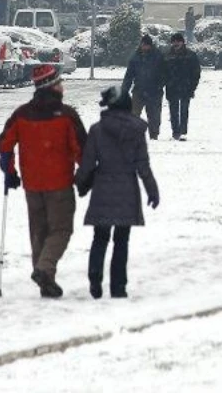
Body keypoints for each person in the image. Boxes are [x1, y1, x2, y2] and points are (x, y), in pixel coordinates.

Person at [0, 65, 87, 298]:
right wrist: (86, 173)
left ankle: (45, 280)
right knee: (61, 229)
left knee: (38, 231)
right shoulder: (66, 115)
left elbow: (4, 144)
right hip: (59, 183)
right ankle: (45, 269)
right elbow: (81, 149)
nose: (62, 86)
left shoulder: (22, 114)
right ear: (52, 85)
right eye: (60, 82)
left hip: (32, 184)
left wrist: (10, 171)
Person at [75, 85, 159, 299]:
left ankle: (95, 278)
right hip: (127, 190)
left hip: (103, 188)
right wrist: (152, 190)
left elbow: (86, 163)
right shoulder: (137, 131)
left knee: (100, 237)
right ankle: (118, 286)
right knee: (122, 240)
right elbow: (143, 165)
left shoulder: (97, 130)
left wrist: (81, 183)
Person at [121, 35, 164, 140]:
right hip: (139, 90)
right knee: (134, 114)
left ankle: (154, 135)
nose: (144, 47)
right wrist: (124, 90)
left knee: (154, 115)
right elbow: (129, 75)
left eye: (146, 45)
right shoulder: (135, 57)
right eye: (143, 45)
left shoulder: (158, 56)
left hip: (154, 91)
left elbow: (164, 73)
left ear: (150, 46)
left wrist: (159, 86)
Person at [163, 33, 201, 141]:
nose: (176, 43)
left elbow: (196, 72)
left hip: (186, 87)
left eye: (178, 41)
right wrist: (165, 82)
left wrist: (193, 86)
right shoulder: (167, 55)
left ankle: (183, 132)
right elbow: (162, 71)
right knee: (173, 111)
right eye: (174, 41)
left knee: (184, 110)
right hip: (172, 87)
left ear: (182, 42)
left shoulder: (190, 55)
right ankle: (175, 132)